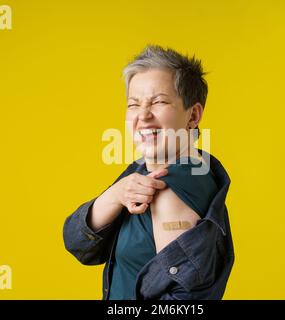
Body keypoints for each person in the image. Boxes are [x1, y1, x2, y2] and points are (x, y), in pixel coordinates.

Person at [63, 45, 234, 300]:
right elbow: (79, 244)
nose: (142, 115)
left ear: (193, 115)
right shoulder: (143, 170)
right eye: (133, 104)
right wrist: (115, 194)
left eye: (159, 101)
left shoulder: (169, 187)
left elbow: (184, 301)